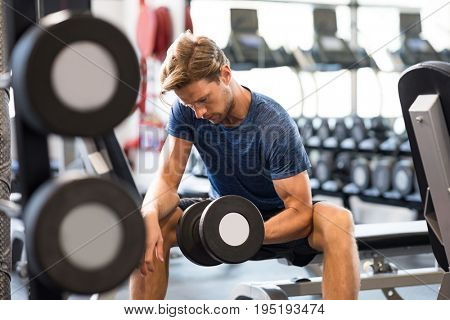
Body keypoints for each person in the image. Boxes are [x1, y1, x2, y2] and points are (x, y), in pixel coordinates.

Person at [129, 31, 360, 300]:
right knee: (151, 221)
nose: (199, 113)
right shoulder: (188, 112)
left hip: (277, 225)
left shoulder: (273, 123)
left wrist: (246, 231)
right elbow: (167, 182)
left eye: (203, 100)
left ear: (225, 75)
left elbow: (299, 212)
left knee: (338, 221)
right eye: (190, 105)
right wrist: (147, 214)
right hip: (218, 218)